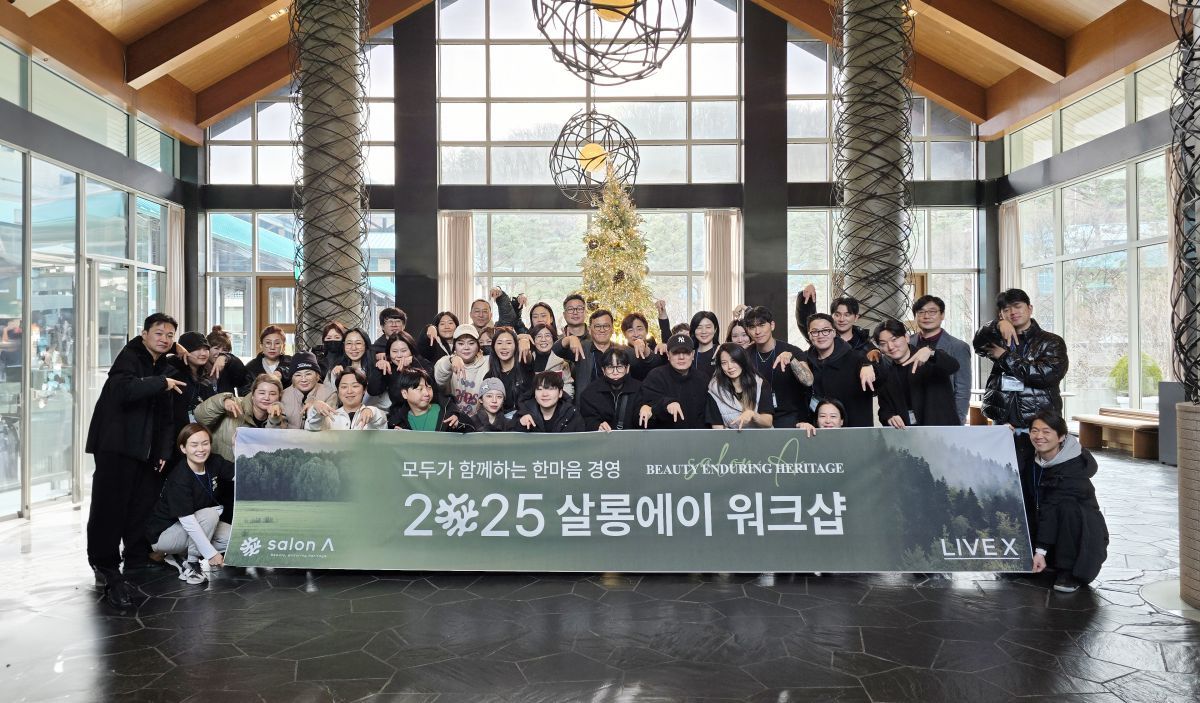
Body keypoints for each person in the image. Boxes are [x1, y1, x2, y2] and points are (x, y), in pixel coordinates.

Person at [85, 312, 186, 608]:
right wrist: (160, 382)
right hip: (116, 447)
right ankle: (104, 565)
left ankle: (136, 558)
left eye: (170, 335)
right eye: (159, 333)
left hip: (148, 452)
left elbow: (166, 418)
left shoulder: (165, 366)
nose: (164, 339)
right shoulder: (130, 356)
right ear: (144, 335)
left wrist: (164, 452)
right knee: (109, 509)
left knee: (141, 507)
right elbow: (122, 390)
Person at [973, 288, 1068, 530]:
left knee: (1037, 488)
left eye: (1017, 306)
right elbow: (978, 343)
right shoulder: (1000, 336)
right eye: (1006, 309)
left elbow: (1044, 375)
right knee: (1004, 487)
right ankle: (1012, 536)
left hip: (1036, 429)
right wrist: (997, 325)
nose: (1012, 312)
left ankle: (1040, 538)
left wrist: (1005, 356)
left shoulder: (1051, 341)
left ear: (1030, 308)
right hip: (1004, 426)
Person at [1027, 410, 1109, 593]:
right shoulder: (1034, 459)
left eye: (1046, 432)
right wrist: (1004, 430)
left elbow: (1051, 508)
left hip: (1079, 534)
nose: (1039, 436)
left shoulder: (1073, 468)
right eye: (1034, 431)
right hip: (1048, 525)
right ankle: (1043, 558)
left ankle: (1068, 571)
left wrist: (1040, 550)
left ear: (1061, 437)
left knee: (1068, 509)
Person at [146, 424, 233, 586]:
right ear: (183, 448)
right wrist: (210, 554)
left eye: (205, 443)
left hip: (199, 524)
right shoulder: (180, 477)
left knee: (235, 539)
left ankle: (179, 554)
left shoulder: (214, 461)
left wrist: (237, 448)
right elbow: (188, 522)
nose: (201, 449)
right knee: (210, 514)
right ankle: (191, 563)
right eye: (194, 445)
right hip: (165, 534)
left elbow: (241, 475)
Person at [871, 318, 961, 428]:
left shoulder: (929, 358)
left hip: (940, 432)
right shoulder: (885, 372)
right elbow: (884, 409)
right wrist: (889, 417)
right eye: (883, 343)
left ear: (906, 337)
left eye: (894, 339)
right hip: (908, 434)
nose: (890, 346)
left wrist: (932, 353)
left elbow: (954, 366)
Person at [797, 313, 874, 429]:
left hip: (855, 431)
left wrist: (869, 365)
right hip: (817, 432)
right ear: (809, 335)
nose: (821, 335)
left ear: (834, 332)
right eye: (815, 332)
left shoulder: (857, 359)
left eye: (826, 330)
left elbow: (882, 374)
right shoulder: (804, 361)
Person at [742, 306, 811, 428]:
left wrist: (792, 359)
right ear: (747, 330)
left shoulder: (792, 351)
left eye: (762, 325)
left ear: (772, 325)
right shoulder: (745, 355)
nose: (757, 331)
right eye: (752, 327)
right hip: (758, 419)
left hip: (789, 419)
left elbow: (808, 381)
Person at [193, 374, 287, 461]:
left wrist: (274, 418)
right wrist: (221, 402)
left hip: (250, 469)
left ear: (279, 397)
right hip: (221, 468)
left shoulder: (281, 418)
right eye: (262, 393)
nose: (266, 398)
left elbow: (273, 448)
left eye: (272, 394)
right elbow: (199, 417)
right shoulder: (234, 404)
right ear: (253, 395)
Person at [910, 295, 973, 425]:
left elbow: (962, 389)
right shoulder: (908, 343)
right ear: (916, 316)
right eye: (921, 312)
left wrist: (958, 421)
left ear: (942, 315)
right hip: (912, 417)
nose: (926, 316)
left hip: (944, 417)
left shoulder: (958, 347)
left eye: (932, 312)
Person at [638, 333, 710, 429]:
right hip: (664, 436)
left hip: (698, 436)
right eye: (676, 352)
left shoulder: (702, 379)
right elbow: (646, 408)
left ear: (693, 355)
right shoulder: (655, 377)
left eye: (686, 352)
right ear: (668, 355)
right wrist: (666, 404)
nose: (681, 357)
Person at [706, 342, 774, 429]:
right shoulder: (714, 390)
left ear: (742, 360)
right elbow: (717, 428)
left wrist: (752, 414)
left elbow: (768, 422)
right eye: (724, 363)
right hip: (730, 437)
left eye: (734, 361)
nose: (730, 367)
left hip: (762, 436)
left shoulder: (760, 384)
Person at [578, 346, 643, 431]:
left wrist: (648, 409)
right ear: (603, 370)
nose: (615, 372)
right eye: (610, 367)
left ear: (627, 368)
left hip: (633, 437)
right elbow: (586, 420)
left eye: (619, 367)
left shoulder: (640, 389)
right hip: (603, 437)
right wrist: (596, 426)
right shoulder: (590, 392)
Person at [167, 331, 221, 431]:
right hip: (175, 433)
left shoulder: (206, 379)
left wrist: (226, 357)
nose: (203, 353)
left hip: (200, 433)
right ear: (184, 350)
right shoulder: (171, 372)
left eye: (206, 349)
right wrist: (174, 347)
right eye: (197, 349)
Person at [555, 309, 616, 396]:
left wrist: (636, 343)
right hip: (586, 402)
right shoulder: (581, 347)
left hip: (615, 402)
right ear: (590, 330)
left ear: (612, 329)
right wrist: (569, 339)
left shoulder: (622, 351)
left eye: (606, 326)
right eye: (597, 326)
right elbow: (555, 351)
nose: (602, 330)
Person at [433, 324, 490, 417]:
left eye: (471, 343)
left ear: (478, 346)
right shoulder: (447, 361)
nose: (466, 347)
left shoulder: (488, 363)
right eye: (461, 343)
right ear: (454, 346)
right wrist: (452, 360)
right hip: (453, 419)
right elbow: (439, 378)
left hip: (480, 420)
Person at [390, 367, 472, 431]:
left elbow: (472, 430)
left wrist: (460, 423)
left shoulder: (448, 413)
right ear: (405, 394)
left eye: (429, 387)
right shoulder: (398, 422)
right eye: (420, 389)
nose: (426, 393)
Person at [794, 286, 873, 351]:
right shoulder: (822, 337)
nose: (842, 319)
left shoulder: (864, 341)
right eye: (837, 315)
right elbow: (805, 321)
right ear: (831, 316)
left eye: (847, 315)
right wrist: (807, 297)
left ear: (856, 317)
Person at [307, 368, 387, 430]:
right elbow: (314, 426)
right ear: (338, 391)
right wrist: (315, 408)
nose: (349, 391)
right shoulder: (330, 417)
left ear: (364, 390)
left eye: (355, 386)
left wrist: (371, 410)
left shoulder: (373, 415)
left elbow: (380, 420)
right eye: (344, 387)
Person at [280, 351, 337, 429]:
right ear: (292, 378)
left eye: (308, 374)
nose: (303, 379)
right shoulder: (283, 395)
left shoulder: (329, 394)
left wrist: (314, 409)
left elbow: (329, 425)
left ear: (317, 375)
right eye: (298, 375)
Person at [518, 371, 585, 432]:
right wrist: (520, 424)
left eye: (550, 389)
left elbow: (580, 439)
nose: (545, 394)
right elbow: (513, 434)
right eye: (540, 389)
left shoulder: (572, 414)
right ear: (534, 393)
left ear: (560, 393)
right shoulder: (524, 412)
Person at [484, 327, 530, 412]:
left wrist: (524, 340)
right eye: (499, 343)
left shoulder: (525, 365)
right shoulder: (489, 377)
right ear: (493, 347)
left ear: (516, 346)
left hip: (527, 417)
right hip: (501, 418)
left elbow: (528, 357)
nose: (504, 347)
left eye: (509, 343)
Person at [527, 323, 575, 396]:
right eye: (539, 336)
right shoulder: (527, 360)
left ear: (553, 339)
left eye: (547, 336)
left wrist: (562, 401)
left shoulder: (561, 363)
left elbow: (567, 386)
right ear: (533, 340)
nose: (543, 339)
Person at [242, 325, 292, 393]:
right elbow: (245, 392)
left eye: (277, 343)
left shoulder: (292, 362)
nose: (272, 347)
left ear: (283, 346)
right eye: (268, 343)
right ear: (261, 345)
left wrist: (281, 373)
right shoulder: (250, 367)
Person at [202, 325, 249, 394]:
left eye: (224, 350)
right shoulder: (199, 368)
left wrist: (225, 357)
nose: (220, 353)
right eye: (216, 348)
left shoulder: (229, 368)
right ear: (207, 349)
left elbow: (241, 372)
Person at [621, 312, 666, 381]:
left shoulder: (658, 349)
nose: (636, 334)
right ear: (625, 335)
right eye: (630, 330)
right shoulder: (623, 355)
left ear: (646, 331)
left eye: (639, 329)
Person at [690, 311, 721, 379]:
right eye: (699, 327)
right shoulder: (690, 354)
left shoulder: (721, 351)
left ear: (715, 329)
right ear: (694, 330)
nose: (704, 331)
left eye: (708, 327)